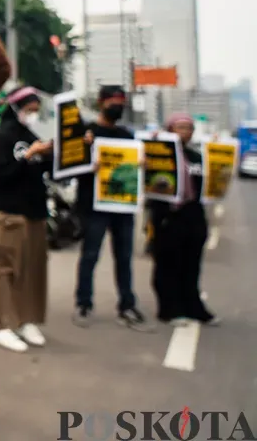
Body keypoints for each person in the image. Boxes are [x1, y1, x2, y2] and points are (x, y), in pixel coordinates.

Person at [0, 86, 53, 351]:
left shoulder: (36, 135)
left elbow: (49, 172)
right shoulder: (1, 137)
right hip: (9, 211)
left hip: (35, 211)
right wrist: (29, 156)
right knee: (4, 269)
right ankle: (0, 325)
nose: (33, 115)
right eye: (29, 110)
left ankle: (26, 319)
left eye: (36, 110)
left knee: (32, 268)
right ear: (16, 108)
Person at [73, 85, 150, 330]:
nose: (117, 107)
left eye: (121, 103)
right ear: (101, 102)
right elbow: (71, 164)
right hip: (94, 206)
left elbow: (135, 167)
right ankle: (84, 303)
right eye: (113, 102)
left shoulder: (128, 136)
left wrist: (141, 164)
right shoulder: (87, 133)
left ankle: (127, 304)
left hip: (122, 206)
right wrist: (87, 158)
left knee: (124, 257)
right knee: (90, 255)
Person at [150, 113, 217, 326]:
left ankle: (193, 307)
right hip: (168, 216)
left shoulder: (197, 156)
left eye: (189, 128)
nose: (185, 132)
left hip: (193, 215)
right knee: (168, 264)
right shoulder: (157, 153)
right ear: (169, 129)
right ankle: (169, 310)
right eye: (180, 127)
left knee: (192, 264)